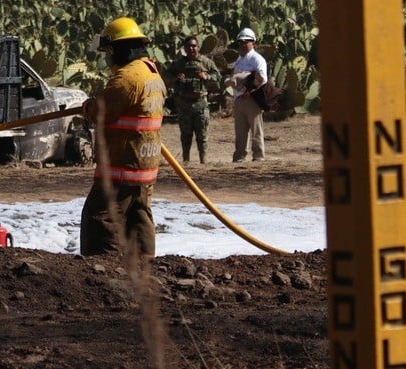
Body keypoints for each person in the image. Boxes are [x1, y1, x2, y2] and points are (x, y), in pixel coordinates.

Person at [80, 16, 166, 260]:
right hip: (144, 170)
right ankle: (145, 266)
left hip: (120, 171)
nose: (107, 58)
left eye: (108, 51)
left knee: (99, 219)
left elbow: (101, 112)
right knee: (139, 219)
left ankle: (102, 271)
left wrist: (88, 107)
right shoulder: (152, 73)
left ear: (119, 49)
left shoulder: (127, 78)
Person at [162, 35, 220, 164]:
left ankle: (203, 161)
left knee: (202, 135)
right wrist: (176, 79)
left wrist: (206, 76)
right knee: (185, 136)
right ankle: (186, 161)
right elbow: (165, 77)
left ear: (198, 47)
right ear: (184, 48)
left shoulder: (206, 62)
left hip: (201, 103)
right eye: (188, 46)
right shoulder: (178, 64)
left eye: (194, 46)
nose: (191, 49)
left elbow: (218, 76)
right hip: (184, 104)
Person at [229, 27, 268, 162]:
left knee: (256, 130)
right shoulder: (239, 59)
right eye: (240, 42)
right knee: (240, 131)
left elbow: (262, 78)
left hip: (252, 99)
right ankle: (239, 156)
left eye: (246, 41)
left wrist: (249, 92)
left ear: (253, 42)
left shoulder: (257, 59)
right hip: (239, 99)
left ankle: (258, 156)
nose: (242, 44)